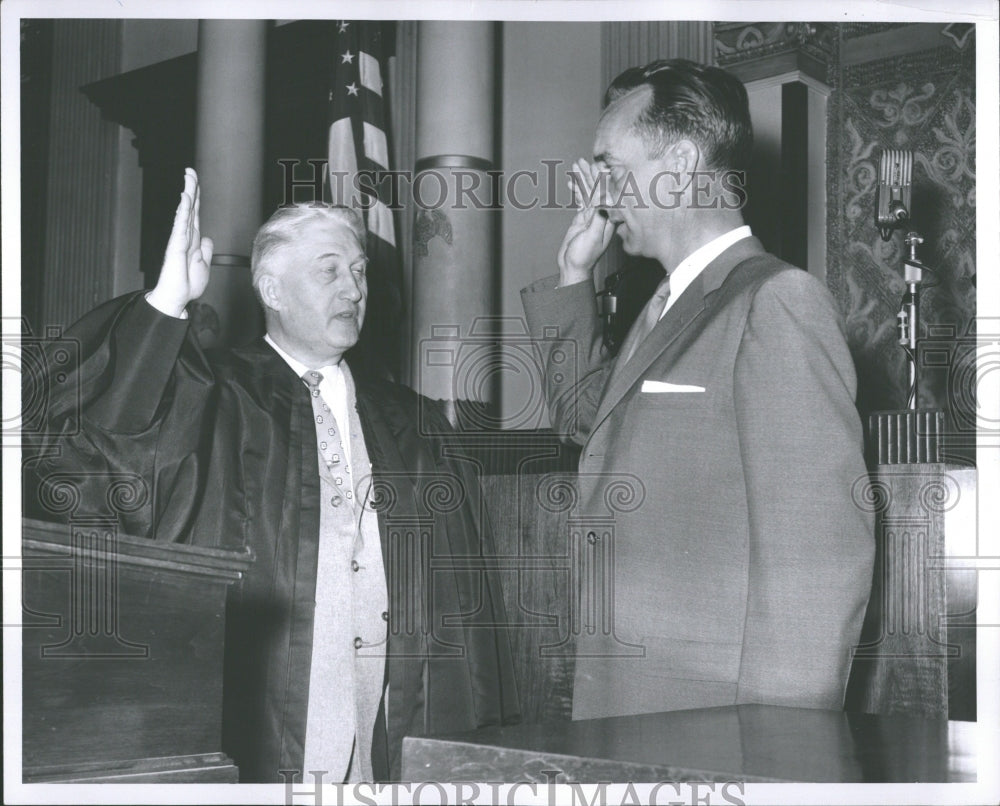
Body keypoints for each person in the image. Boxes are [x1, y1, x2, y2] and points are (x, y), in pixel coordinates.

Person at [25, 169, 519, 782]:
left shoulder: (411, 419)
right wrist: (164, 305)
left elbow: (469, 603)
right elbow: (91, 447)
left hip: (394, 709)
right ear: (272, 289)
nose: (354, 288)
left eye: (360, 271)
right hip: (269, 709)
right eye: (329, 269)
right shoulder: (216, 395)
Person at [521, 59, 874, 720]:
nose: (598, 194)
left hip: (713, 728)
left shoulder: (776, 301)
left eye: (609, 166)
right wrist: (574, 277)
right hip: (634, 708)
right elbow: (585, 422)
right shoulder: (667, 308)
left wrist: (779, 756)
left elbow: (817, 570)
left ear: (680, 163)